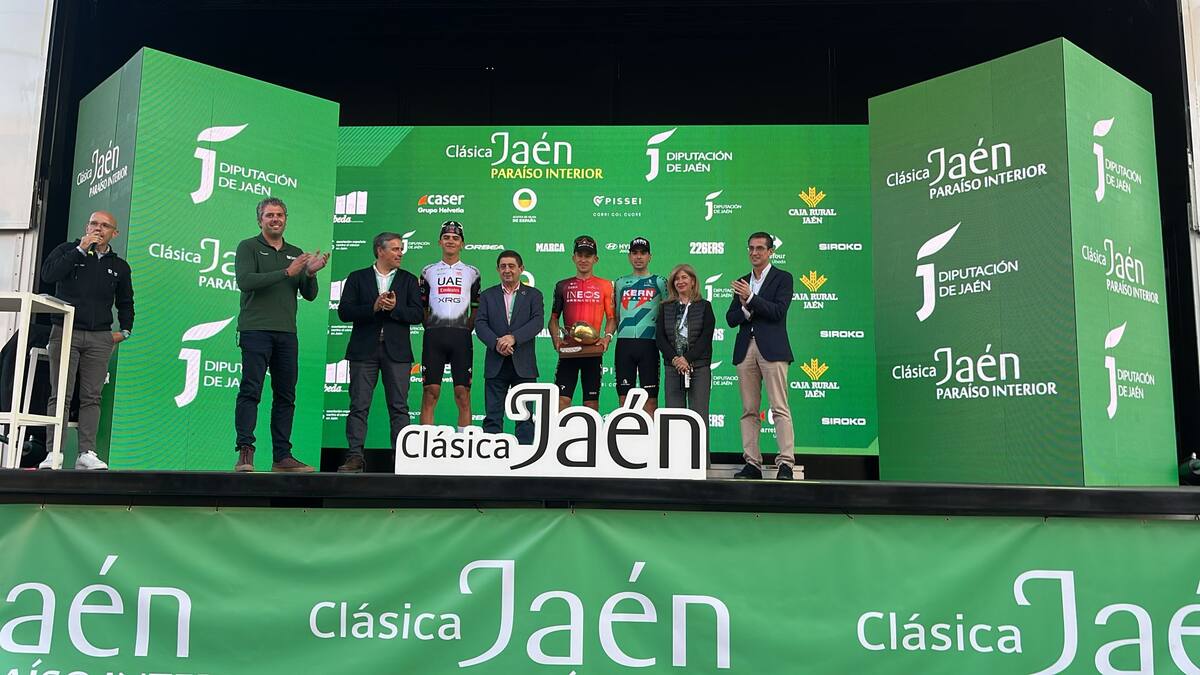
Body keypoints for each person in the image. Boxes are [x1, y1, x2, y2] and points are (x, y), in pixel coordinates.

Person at [233, 197, 328, 473]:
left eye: (280, 215)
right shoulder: (248, 247)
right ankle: (245, 451)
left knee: (286, 396)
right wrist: (287, 271)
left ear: (286, 219)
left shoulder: (295, 252)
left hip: (287, 333)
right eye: (269, 215)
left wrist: (310, 274)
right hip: (255, 330)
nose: (275, 219)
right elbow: (245, 281)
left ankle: (282, 457)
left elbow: (309, 295)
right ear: (260, 220)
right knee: (251, 391)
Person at [39, 210, 134, 470]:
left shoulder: (119, 266)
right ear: (86, 227)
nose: (98, 228)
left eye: (105, 226)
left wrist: (125, 331)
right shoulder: (67, 251)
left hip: (100, 337)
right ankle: (54, 452)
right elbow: (48, 275)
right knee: (60, 393)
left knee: (92, 396)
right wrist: (80, 250)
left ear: (114, 233)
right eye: (94, 223)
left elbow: (126, 302)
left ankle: (86, 453)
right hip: (65, 331)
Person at [336, 232, 424, 473]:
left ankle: (402, 458)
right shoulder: (357, 277)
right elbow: (344, 312)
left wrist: (395, 308)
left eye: (401, 249)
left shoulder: (409, 280)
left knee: (399, 407)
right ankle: (355, 457)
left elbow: (417, 315)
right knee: (359, 406)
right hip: (363, 351)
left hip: (397, 352)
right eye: (395, 249)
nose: (400, 253)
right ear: (380, 251)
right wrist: (373, 307)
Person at [727, 231, 795, 480]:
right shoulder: (742, 281)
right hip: (746, 349)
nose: (754, 252)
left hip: (773, 349)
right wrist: (745, 307)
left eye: (760, 248)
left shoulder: (783, 278)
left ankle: (786, 463)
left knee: (779, 407)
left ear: (770, 252)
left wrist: (752, 297)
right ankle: (752, 463)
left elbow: (778, 312)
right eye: (751, 248)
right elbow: (731, 318)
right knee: (749, 410)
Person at [475, 250, 544, 444]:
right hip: (496, 362)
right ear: (498, 270)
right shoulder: (487, 295)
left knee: (525, 417)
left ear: (521, 269)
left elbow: (537, 322)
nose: (507, 270)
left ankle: (525, 455)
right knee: (493, 416)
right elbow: (480, 324)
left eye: (512, 266)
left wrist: (513, 338)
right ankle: (491, 454)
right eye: (503, 266)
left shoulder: (534, 295)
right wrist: (497, 343)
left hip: (524, 364)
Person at [418, 221, 481, 429]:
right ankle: (425, 442)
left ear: (462, 244)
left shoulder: (473, 272)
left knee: (463, 394)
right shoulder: (427, 271)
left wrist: (466, 328)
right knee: (430, 392)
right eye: (446, 237)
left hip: (461, 337)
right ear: (439, 242)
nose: (450, 241)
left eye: (455, 238)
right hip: (434, 337)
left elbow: (476, 307)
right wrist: (431, 326)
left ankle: (464, 442)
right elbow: (422, 306)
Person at [548, 235, 614, 412]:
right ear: (573, 257)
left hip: (593, 352)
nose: (583, 259)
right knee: (561, 401)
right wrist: (556, 339)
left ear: (595, 259)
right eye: (580, 255)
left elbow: (612, 318)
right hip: (569, 351)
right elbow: (553, 318)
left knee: (591, 404)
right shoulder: (562, 285)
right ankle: (560, 431)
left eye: (588, 256)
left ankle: (590, 432)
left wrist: (607, 338)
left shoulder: (605, 285)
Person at [656, 263, 715, 431]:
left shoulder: (704, 306)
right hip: (673, 368)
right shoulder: (665, 307)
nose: (680, 281)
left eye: (684, 277)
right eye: (676, 279)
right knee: (674, 418)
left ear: (693, 281)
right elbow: (660, 338)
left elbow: (706, 337)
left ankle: (701, 450)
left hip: (699, 368)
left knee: (699, 417)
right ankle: (676, 450)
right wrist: (676, 359)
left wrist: (687, 359)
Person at [613, 237, 667, 413]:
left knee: (651, 401)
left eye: (643, 253)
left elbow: (667, 313)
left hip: (649, 344)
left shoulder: (660, 282)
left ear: (650, 256)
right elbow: (617, 315)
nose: (638, 257)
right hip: (624, 344)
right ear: (629, 256)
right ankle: (623, 430)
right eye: (634, 253)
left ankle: (651, 432)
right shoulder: (620, 282)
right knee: (624, 400)